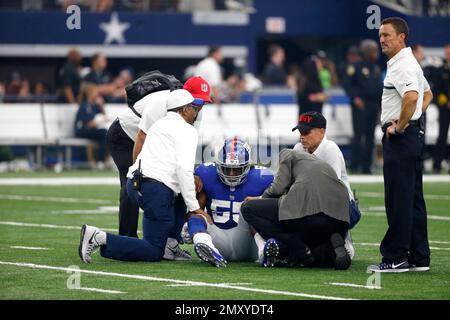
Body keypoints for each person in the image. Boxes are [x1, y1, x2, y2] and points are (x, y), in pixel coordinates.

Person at [79, 89, 207, 263]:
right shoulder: (187, 131)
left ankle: (169, 245)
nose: (196, 112)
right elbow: (184, 170)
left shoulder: (159, 125)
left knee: (159, 234)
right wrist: (194, 207)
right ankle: (99, 237)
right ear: (184, 109)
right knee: (154, 250)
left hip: (136, 184)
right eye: (193, 108)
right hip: (155, 189)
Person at [368, 17, 434, 272]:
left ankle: (395, 256)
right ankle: (419, 256)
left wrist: (401, 125)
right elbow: (426, 94)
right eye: (380, 35)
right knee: (413, 198)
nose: (382, 39)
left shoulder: (402, 64)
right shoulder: (409, 62)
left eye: (387, 35)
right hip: (412, 136)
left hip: (402, 138)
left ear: (401, 37)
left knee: (398, 199)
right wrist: (413, 116)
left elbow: (412, 97)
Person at [241, 148, 351, 270]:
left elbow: (278, 187)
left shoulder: (288, 153)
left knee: (248, 208)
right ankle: (331, 244)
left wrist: (260, 198)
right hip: (339, 219)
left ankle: (295, 244)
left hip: (306, 210)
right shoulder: (321, 164)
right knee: (315, 246)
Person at [183, 137, 274, 267]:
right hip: (218, 243)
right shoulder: (206, 174)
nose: (231, 174)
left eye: (236, 169)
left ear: (247, 167)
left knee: (250, 208)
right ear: (219, 165)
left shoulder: (263, 178)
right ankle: (205, 245)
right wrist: (192, 227)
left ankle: (263, 250)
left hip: (248, 245)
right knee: (198, 216)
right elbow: (195, 210)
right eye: (227, 168)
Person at [292, 111, 360, 259]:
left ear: (321, 131)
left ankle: (343, 238)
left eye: (306, 132)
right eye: (300, 131)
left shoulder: (330, 149)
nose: (302, 136)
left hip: (342, 206)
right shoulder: (298, 149)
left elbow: (330, 190)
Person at [342, 39, 383, 173]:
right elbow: (348, 84)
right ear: (367, 52)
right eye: (374, 50)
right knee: (358, 136)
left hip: (373, 105)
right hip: (360, 105)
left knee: (370, 137)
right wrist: (355, 98)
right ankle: (355, 165)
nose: (376, 53)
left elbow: (379, 88)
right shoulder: (355, 67)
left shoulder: (376, 69)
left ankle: (367, 167)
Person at [74, 84, 109, 169]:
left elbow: (105, 117)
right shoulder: (84, 106)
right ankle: (100, 161)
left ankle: (104, 160)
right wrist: (98, 121)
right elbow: (87, 124)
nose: (97, 94)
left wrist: (101, 105)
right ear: (89, 93)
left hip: (91, 130)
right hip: (82, 131)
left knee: (106, 134)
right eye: (95, 92)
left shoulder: (94, 105)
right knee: (103, 132)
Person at [432, 44, 450, 173]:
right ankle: (437, 165)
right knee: (442, 136)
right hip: (445, 108)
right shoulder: (440, 70)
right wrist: (446, 103)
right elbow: (437, 91)